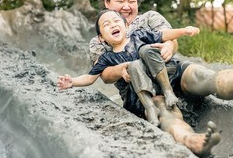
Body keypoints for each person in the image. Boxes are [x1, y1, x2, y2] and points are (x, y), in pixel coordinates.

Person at [88, 0, 233, 158]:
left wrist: (170, 45)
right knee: (165, 112)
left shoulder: (149, 18)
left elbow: (170, 38)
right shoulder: (99, 40)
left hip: (170, 71)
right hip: (140, 90)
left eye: (132, 1)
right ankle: (194, 141)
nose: (127, 6)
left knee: (203, 76)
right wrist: (120, 69)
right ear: (107, 1)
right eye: (120, 0)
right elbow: (103, 74)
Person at [57, 9, 200, 127]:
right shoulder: (107, 58)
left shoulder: (139, 36)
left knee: (146, 50)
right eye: (106, 24)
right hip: (140, 94)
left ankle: (168, 92)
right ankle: (150, 108)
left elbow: (162, 35)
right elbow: (90, 77)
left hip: (161, 78)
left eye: (116, 21)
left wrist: (183, 31)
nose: (113, 25)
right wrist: (72, 82)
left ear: (126, 26)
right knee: (134, 65)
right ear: (101, 38)